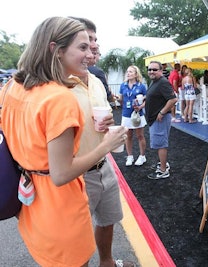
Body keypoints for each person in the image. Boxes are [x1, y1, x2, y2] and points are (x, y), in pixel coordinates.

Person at [0, 17, 127, 267]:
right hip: (60, 204)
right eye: (82, 47)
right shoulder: (59, 98)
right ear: (56, 50)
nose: (89, 53)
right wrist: (107, 145)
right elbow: (61, 173)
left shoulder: (12, 88)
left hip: (31, 199)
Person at [69, 17, 134, 267]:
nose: (93, 46)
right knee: (78, 234)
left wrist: (105, 122)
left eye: (94, 40)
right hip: (77, 175)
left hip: (104, 166)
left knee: (108, 220)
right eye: (85, 42)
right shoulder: (57, 86)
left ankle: (106, 262)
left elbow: (103, 112)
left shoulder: (95, 79)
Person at [145, 61, 178, 179]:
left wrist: (162, 112)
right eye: (149, 69)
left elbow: (173, 99)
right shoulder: (154, 82)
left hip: (160, 119)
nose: (151, 72)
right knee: (159, 143)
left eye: (154, 69)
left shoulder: (163, 82)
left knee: (161, 144)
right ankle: (163, 164)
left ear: (160, 71)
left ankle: (163, 170)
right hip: (155, 118)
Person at [118, 65, 147, 167]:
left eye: (130, 72)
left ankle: (142, 156)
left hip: (138, 114)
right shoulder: (123, 85)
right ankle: (130, 156)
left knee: (140, 136)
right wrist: (117, 99)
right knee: (128, 136)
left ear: (136, 74)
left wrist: (140, 107)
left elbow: (146, 100)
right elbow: (121, 99)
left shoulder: (141, 86)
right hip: (126, 114)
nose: (128, 73)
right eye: (127, 71)